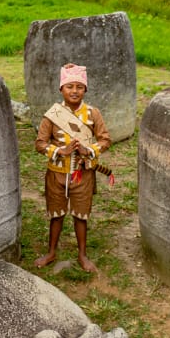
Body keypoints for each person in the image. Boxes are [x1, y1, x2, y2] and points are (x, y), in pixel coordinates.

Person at [34, 63, 112, 272]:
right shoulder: (52, 115)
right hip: (57, 174)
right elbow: (40, 143)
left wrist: (90, 150)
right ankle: (51, 252)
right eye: (70, 86)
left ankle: (82, 255)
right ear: (61, 89)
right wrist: (61, 151)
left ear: (85, 89)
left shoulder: (93, 113)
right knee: (56, 214)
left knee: (81, 215)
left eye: (79, 86)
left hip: (83, 174)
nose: (74, 91)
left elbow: (105, 140)